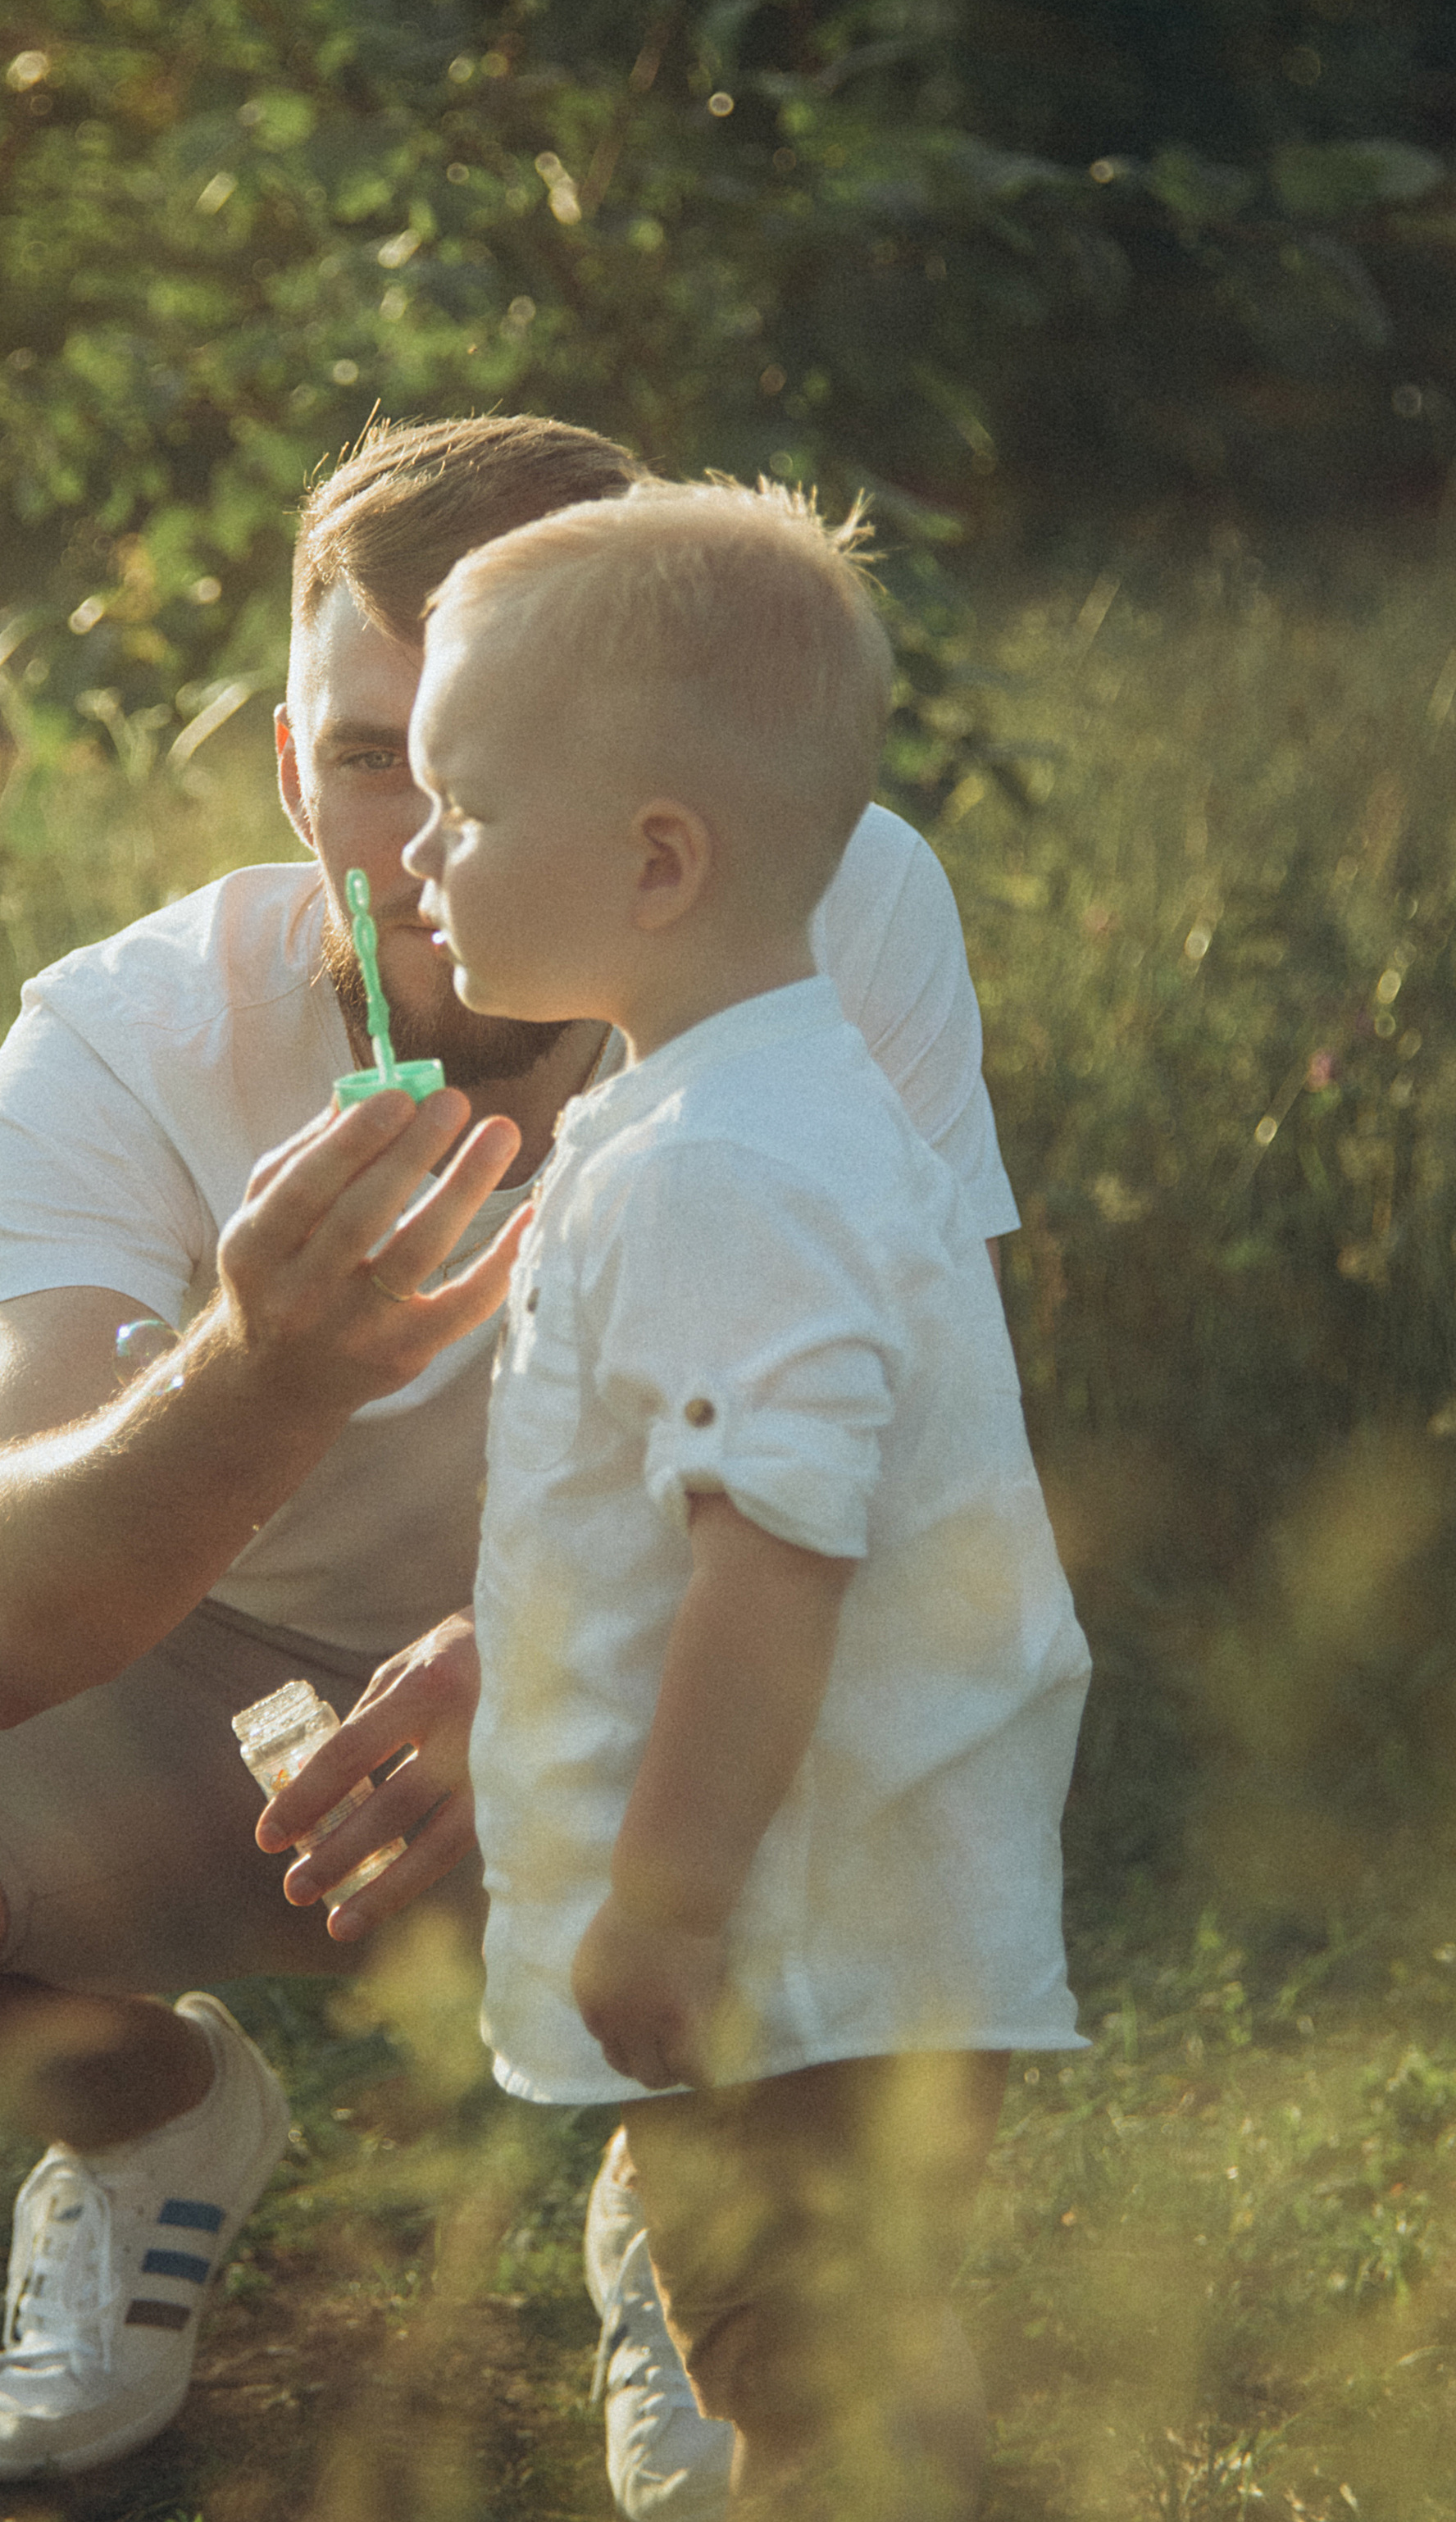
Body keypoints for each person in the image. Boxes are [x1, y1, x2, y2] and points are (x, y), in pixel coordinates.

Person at [0, 416, 1025, 2502]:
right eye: (366, 755)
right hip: (225, 1706)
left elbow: (928, 1451)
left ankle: (718, 2212)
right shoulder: (120, 1042)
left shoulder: (836, 911)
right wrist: (260, 1366)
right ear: (290, 770)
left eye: (507, 752)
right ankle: (149, 2115)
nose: (418, 841)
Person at [401, 476, 1090, 2520]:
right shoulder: (719, 1103)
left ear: (655, 859)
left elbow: (772, 1563)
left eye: (461, 807)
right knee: (843, 2356)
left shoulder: (724, 1165)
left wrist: (668, 1901)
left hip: (795, 1953)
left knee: (803, 2400)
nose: (419, 857)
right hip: (836, 1936)